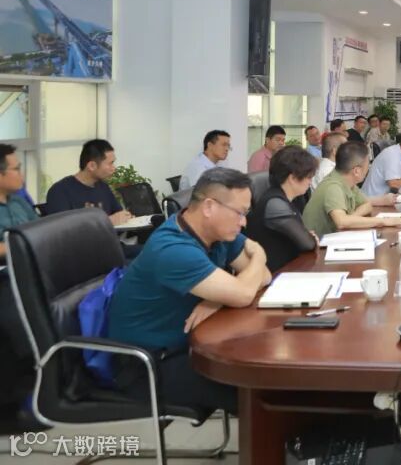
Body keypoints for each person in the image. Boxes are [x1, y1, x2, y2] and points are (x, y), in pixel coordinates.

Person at [108, 169, 272, 415]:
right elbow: (246, 292)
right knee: (258, 387)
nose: (244, 222)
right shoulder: (173, 249)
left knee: (263, 366)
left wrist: (216, 300)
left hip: (190, 344)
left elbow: (264, 277)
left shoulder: (218, 233)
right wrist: (259, 253)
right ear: (209, 207)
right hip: (149, 365)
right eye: (239, 213)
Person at [304, 141, 401, 236]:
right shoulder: (333, 187)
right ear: (357, 171)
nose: (368, 168)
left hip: (337, 237)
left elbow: (367, 205)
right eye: (368, 165)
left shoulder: (347, 182)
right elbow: (341, 222)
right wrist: (384, 221)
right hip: (319, 247)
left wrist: (351, 218)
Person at [244, 146, 319, 272]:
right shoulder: (275, 204)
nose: (310, 182)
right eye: (308, 177)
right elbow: (308, 243)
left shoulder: (291, 199)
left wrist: (306, 235)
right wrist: (309, 237)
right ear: (292, 178)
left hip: (290, 268)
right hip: (274, 274)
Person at [45, 139, 132, 225]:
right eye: (110, 163)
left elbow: (119, 215)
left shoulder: (103, 187)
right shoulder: (60, 191)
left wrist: (126, 217)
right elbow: (62, 229)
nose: (114, 168)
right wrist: (107, 221)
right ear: (92, 166)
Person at [0, 144, 37, 258]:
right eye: (16, 169)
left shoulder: (19, 201)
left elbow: (40, 230)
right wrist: (21, 246)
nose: (22, 175)